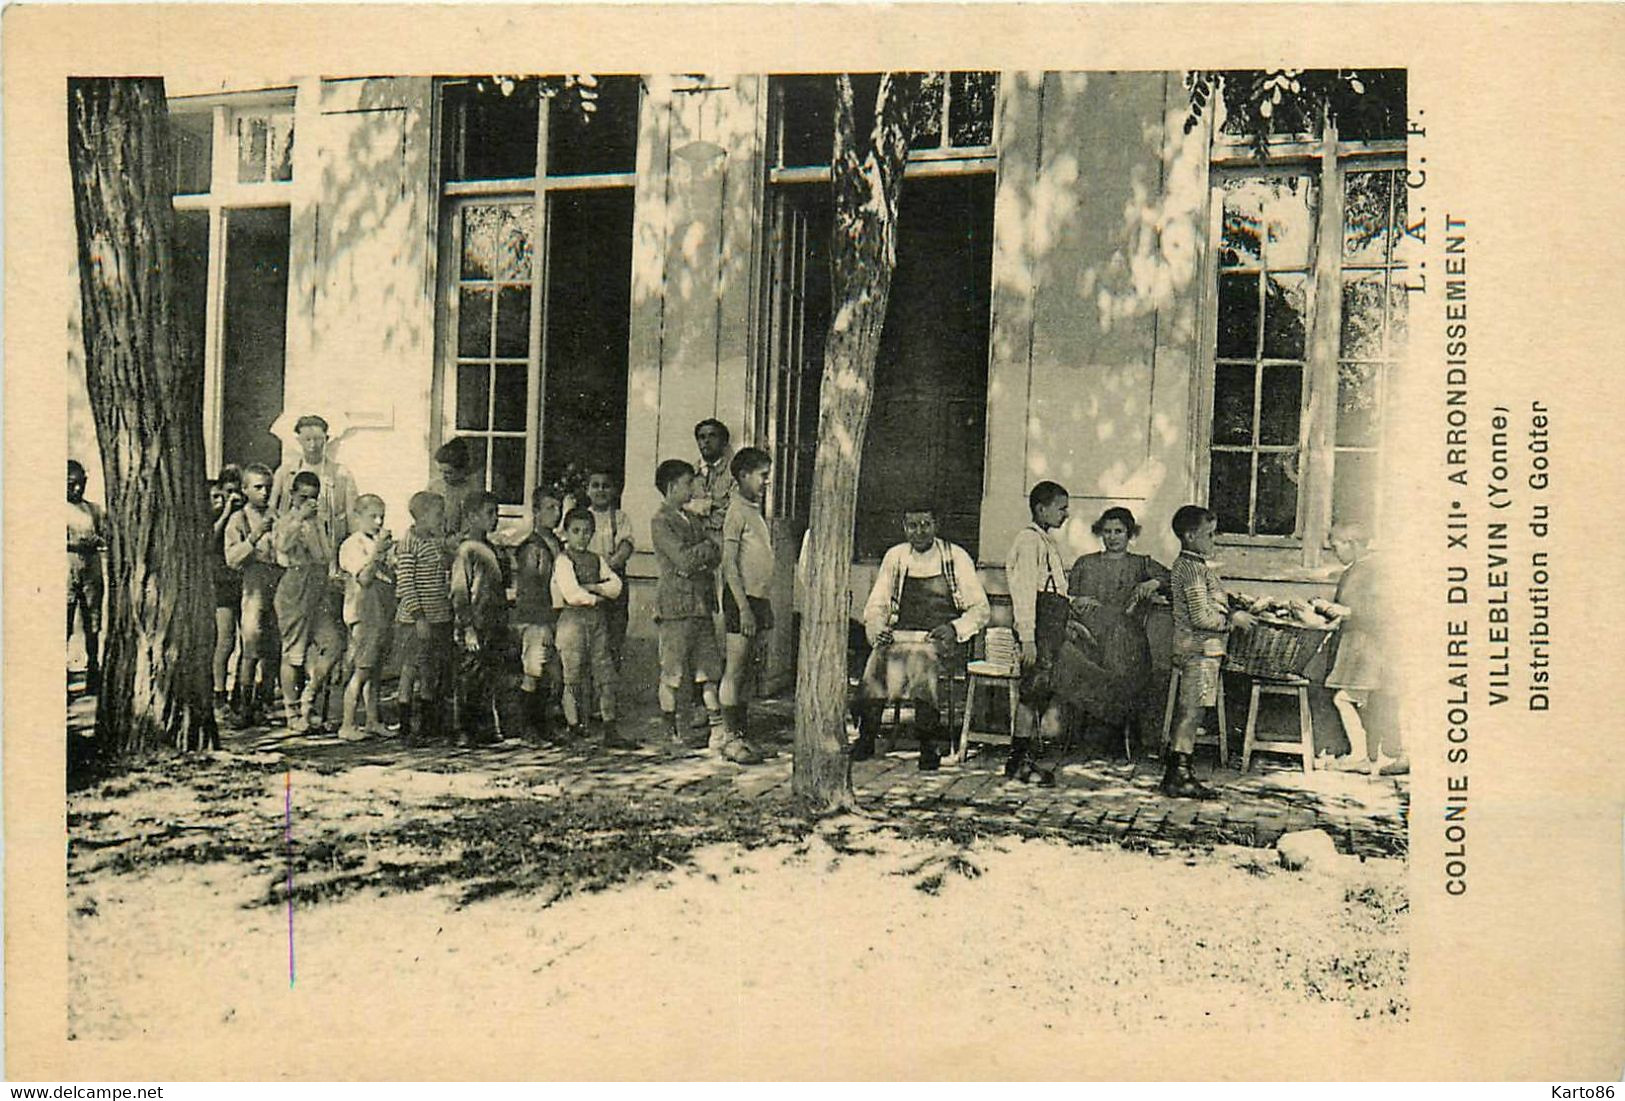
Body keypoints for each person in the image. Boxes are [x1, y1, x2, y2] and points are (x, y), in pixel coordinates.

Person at [854, 505, 990, 770]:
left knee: (921, 659)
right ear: (904, 527)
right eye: (912, 525)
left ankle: (928, 743)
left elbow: (980, 609)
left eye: (925, 524)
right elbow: (876, 604)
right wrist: (878, 626)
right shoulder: (896, 557)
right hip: (902, 635)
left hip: (941, 640)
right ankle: (866, 737)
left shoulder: (955, 557)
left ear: (936, 525)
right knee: (877, 658)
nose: (919, 531)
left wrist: (954, 628)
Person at [649, 460, 741, 759]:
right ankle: (670, 732)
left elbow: (714, 553)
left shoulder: (691, 519)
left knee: (708, 669)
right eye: (688, 483)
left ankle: (717, 730)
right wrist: (701, 554)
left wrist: (701, 554)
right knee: (672, 673)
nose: (693, 488)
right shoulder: (661, 521)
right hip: (675, 607)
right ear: (672, 486)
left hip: (700, 604)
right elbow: (684, 560)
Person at [1166, 504, 1255, 799]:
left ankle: (1178, 772)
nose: (1213, 540)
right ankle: (1179, 775)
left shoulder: (1196, 566)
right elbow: (1200, 617)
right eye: (1209, 534)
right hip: (1198, 649)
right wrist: (1232, 621)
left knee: (1193, 710)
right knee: (1191, 712)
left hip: (1201, 649)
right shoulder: (1192, 569)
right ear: (1190, 536)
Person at [1066, 506, 1172, 753]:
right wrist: (1077, 601)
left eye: (1119, 531)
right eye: (1107, 532)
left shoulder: (1141, 563)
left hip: (1128, 640)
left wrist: (1153, 582)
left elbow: (1173, 578)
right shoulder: (1086, 563)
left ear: (1129, 534)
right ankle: (1099, 727)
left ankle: (1111, 724)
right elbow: (1066, 596)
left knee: (1119, 648)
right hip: (1088, 637)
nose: (1113, 537)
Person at [1318, 522, 1406, 777]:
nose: (1334, 552)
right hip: (1359, 647)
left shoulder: (1374, 570)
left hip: (1369, 649)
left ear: (1352, 544)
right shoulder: (1357, 569)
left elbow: (1385, 611)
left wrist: (1347, 611)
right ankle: (1384, 754)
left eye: (1336, 546)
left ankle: (1363, 756)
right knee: (1369, 701)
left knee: (1345, 699)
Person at [1004, 481, 1073, 784]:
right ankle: (1018, 761)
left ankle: (1026, 757)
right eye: (1061, 508)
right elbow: (1023, 593)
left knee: (1040, 692)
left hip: (1052, 627)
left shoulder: (1045, 541)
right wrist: (1028, 637)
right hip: (1039, 629)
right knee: (1031, 693)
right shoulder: (1028, 541)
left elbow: (1057, 589)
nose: (1066, 514)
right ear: (1041, 509)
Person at [273, 470, 343, 732]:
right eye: (303, 497)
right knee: (294, 652)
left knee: (333, 644)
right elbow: (281, 548)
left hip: (318, 586)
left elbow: (325, 555)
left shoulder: (320, 521)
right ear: (292, 496)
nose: (308, 503)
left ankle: (308, 698)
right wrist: (299, 519)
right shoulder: (286, 520)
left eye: (313, 498)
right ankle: (292, 713)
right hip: (295, 585)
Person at [552, 507, 626, 746]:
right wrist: (596, 597)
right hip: (572, 621)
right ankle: (573, 727)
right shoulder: (564, 560)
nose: (581, 536)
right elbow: (572, 593)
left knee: (605, 674)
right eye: (576, 531)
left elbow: (616, 585)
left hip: (596, 622)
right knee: (572, 676)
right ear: (566, 533)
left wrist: (595, 588)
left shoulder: (597, 559)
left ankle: (610, 728)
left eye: (586, 532)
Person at [719, 447, 775, 753]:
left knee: (749, 673)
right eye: (763, 476)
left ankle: (743, 734)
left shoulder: (754, 510)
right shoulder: (736, 512)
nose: (767, 482)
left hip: (759, 599)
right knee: (735, 668)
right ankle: (730, 739)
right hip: (741, 601)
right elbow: (729, 564)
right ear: (743, 476)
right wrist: (743, 609)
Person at [224, 463, 282, 727]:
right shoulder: (239, 520)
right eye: (258, 487)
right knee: (251, 642)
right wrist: (256, 536)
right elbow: (232, 558)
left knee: (274, 645)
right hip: (252, 585)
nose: (264, 492)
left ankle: (264, 701)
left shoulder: (277, 516)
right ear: (245, 489)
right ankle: (242, 703)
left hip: (277, 584)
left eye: (268, 487)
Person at [450, 492, 511, 747]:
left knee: (489, 676)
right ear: (472, 517)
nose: (494, 518)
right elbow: (460, 591)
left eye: (496, 512)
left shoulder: (493, 548)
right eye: (489, 513)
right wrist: (467, 627)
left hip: (493, 621)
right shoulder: (466, 550)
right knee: (470, 676)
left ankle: (486, 729)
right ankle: (464, 729)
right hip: (474, 622)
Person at [394, 491, 455, 744]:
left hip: (438, 616)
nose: (442, 519)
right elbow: (406, 585)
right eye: (438, 515)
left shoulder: (434, 540)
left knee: (431, 671)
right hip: (416, 621)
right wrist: (418, 617)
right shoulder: (409, 543)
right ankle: (407, 726)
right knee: (411, 670)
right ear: (422, 516)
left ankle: (429, 725)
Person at [337, 494, 394, 741]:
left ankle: (372, 720)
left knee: (375, 670)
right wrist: (378, 553)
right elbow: (364, 578)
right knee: (361, 669)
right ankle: (347, 723)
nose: (379, 521)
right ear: (357, 517)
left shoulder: (377, 543)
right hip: (363, 614)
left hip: (381, 613)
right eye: (373, 516)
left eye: (382, 516)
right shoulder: (352, 545)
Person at [269, 414, 358, 562]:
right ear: (299, 440)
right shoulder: (285, 473)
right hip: (294, 552)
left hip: (329, 548)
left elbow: (352, 516)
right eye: (307, 439)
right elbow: (273, 510)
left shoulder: (341, 474)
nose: (312, 445)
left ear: (326, 439)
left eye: (317, 439)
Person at [512, 489, 564, 744]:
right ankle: (528, 729)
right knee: (533, 670)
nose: (556, 513)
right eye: (550, 508)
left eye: (558, 507)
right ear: (536, 512)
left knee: (553, 674)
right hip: (536, 618)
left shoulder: (557, 543)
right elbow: (532, 586)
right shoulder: (531, 548)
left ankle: (546, 726)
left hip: (554, 616)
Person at [579, 468, 635, 670]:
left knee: (613, 636)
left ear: (614, 491)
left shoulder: (619, 517)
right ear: (587, 490)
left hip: (612, 580)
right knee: (588, 637)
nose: (600, 490)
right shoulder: (580, 518)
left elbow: (625, 546)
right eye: (595, 485)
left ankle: (609, 686)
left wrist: (609, 565)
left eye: (606, 486)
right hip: (586, 581)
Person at [67, 460, 108, 696]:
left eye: (81, 484)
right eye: (71, 485)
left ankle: (93, 668)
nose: (77, 489)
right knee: (65, 619)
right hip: (67, 565)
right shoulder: (58, 508)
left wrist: (97, 542)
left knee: (93, 621)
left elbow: (104, 536)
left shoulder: (92, 509)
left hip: (91, 566)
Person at [210, 466, 246, 715]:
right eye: (229, 491)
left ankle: (240, 694)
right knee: (225, 642)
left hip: (243, 581)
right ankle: (218, 693)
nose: (234, 497)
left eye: (238, 491)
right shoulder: (215, 514)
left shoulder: (246, 515)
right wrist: (224, 512)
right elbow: (209, 540)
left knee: (249, 641)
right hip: (222, 583)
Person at [428, 437, 481, 552]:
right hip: (434, 545)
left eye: (448, 472)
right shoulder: (434, 487)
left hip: (460, 545)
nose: (443, 476)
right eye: (440, 471)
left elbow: (471, 527)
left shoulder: (470, 491)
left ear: (462, 471)